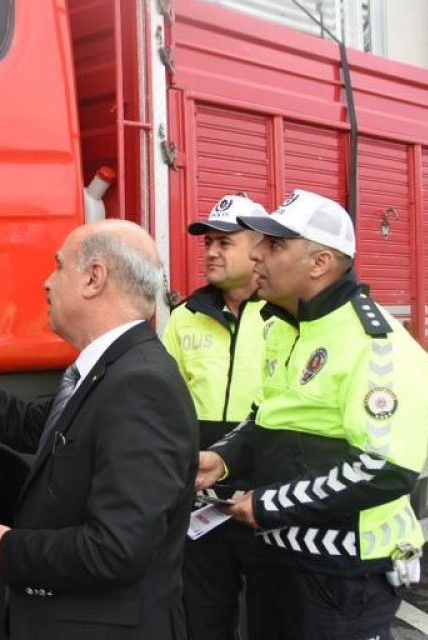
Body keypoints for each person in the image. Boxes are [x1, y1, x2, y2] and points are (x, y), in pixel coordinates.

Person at [0, 219, 197, 639]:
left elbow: (118, 551)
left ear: (93, 278)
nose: (47, 282)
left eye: (59, 266)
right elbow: (31, 425)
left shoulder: (141, 385)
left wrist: (7, 550)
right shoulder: (113, 371)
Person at [196, 190, 428, 640]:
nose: (255, 254)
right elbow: (265, 419)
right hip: (278, 562)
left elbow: (385, 469)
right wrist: (222, 459)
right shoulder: (284, 329)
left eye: (274, 246)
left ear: (319, 262)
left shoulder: (377, 346)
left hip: (343, 575)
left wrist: (269, 505)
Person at [161, 194, 269, 639]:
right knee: (204, 617)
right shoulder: (185, 317)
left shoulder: (287, 317)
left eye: (225, 242)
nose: (211, 252)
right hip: (202, 501)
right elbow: (164, 405)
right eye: (209, 243)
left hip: (266, 500)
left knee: (272, 617)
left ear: (260, 248)